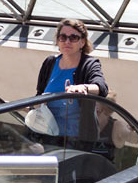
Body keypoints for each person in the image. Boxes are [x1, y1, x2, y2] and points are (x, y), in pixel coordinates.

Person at [33, 18, 108, 149]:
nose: (67, 41)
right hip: (47, 136)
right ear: (57, 41)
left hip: (78, 142)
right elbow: (38, 95)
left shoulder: (89, 64)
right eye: (63, 37)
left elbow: (101, 87)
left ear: (82, 42)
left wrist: (83, 87)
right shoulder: (50, 62)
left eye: (73, 37)